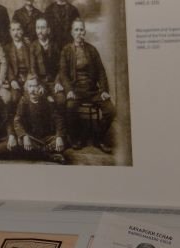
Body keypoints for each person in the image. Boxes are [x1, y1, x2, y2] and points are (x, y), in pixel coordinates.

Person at [60, 19, 115, 152]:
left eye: (81, 30)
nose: (79, 33)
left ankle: (98, 138)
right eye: (76, 30)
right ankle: (76, 138)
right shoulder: (66, 50)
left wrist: (104, 90)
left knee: (110, 110)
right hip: (76, 90)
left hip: (92, 91)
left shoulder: (92, 50)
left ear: (85, 32)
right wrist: (69, 90)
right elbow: (63, 73)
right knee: (70, 107)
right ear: (72, 32)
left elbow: (101, 71)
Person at [13, 74, 66, 164]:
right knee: (20, 141)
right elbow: (17, 121)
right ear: (26, 88)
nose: (32, 90)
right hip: (32, 137)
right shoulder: (24, 101)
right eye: (30, 86)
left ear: (40, 87)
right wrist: (24, 135)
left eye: (35, 86)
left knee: (63, 140)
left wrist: (59, 136)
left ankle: (40, 153)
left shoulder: (47, 101)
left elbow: (58, 119)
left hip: (46, 138)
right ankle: (50, 155)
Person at [30, 17, 65, 107]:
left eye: (43, 28)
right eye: (38, 28)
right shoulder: (33, 46)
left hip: (54, 81)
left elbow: (61, 67)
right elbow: (33, 69)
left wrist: (58, 82)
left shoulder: (55, 46)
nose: (40, 31)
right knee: (41, 99)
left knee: (61, 99)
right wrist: (39, 84)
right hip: (40, 82)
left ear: (48, 30)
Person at [5, 21, 31, 106]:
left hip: (28, 78)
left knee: (30, 97)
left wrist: (29, 79)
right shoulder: (7, 48)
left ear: (22, 31)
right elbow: (7, 67)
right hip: (15, 79)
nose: (15, 33)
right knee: (14, 98)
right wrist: (12, 80)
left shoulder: (29, 46)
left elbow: (33, 64)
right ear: (10, 32)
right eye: (13, 30)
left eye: (18, 29)